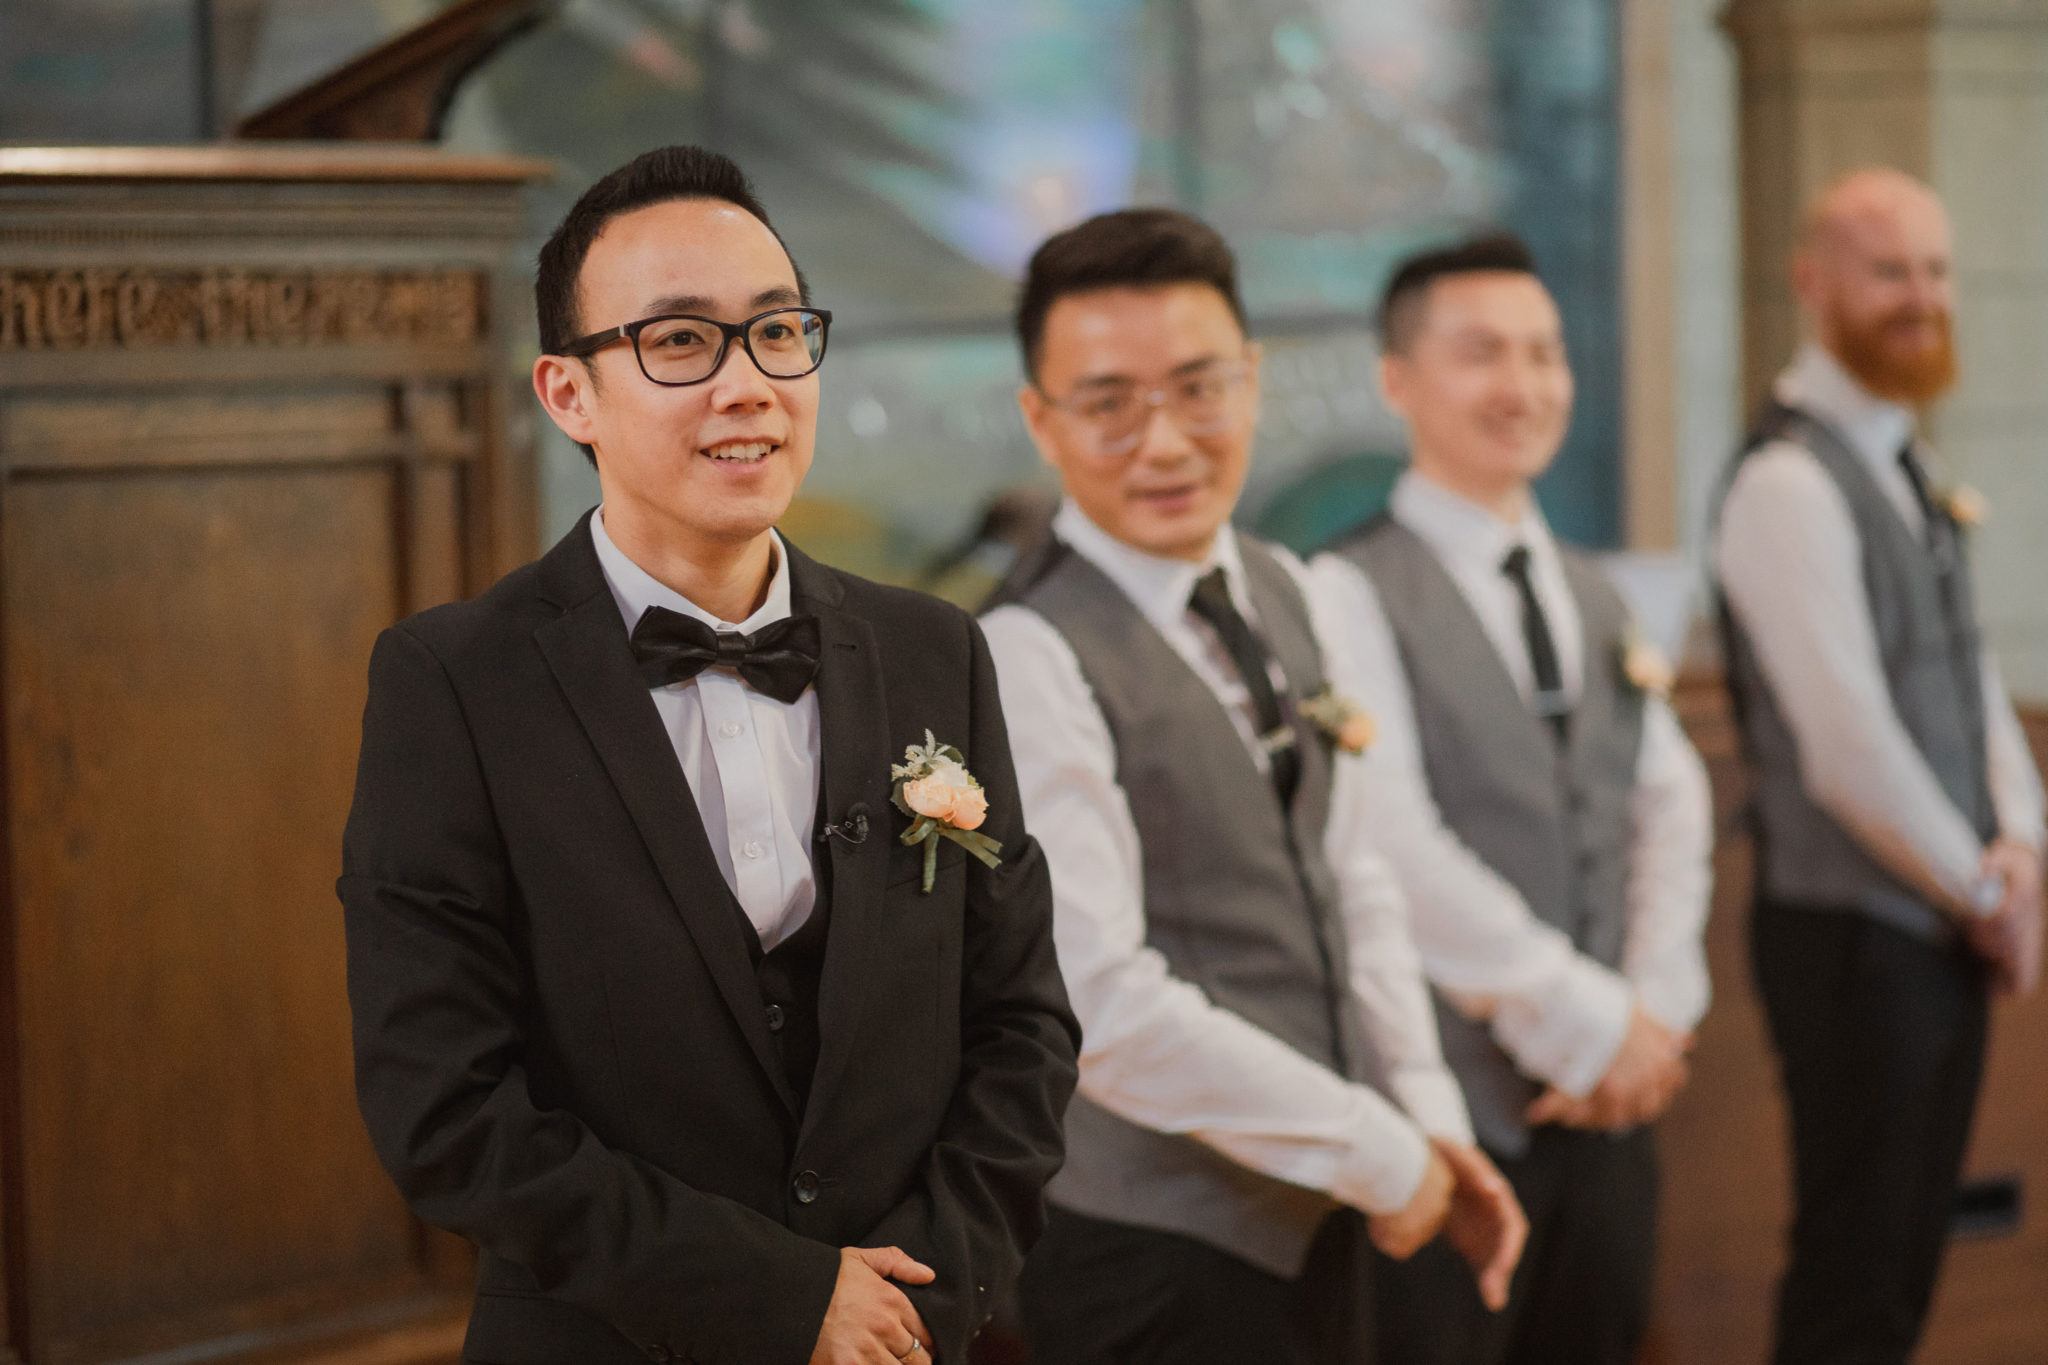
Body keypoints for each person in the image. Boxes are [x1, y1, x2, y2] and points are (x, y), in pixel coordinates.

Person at [338, 145, 1080, 1365]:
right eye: (679, 343)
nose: (748, 385)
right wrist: (784, 1302)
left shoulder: (933, 649)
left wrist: (920, 1301)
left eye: (777, 332)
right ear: (568, 394)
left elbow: (1021, 1026)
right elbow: (443, 1107)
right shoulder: (450, 682)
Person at [981, 208, 1526, 1365]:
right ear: (1040, 419)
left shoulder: (1288, 586)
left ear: (1253, 381)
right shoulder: (1025, 653)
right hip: (1158, 1252)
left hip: (1335, 1213)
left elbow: (1352, 871)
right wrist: (1379, 1151)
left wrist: (1426, 1111)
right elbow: (1103, 1004)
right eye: (1108, 401)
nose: (1166, 441)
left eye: (1197, 387)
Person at [1313, 232, 1714, 1365]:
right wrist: (1581, 1025)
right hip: (1451, 1119)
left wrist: (1654, 1016)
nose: (1524, 385)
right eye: (1482, 353)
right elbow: (1389, 840)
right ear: (1397, 379)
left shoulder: (1594, 588)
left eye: (1544, 354)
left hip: (1613, 1114)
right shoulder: (1343, 589)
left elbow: (1666, 808)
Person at [1714, 166, 2045, 1365]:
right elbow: (1846, 748)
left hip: (1946, 923)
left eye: (1936, 269)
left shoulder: (1906, 464)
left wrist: (2021, 845)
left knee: (1907, 1266)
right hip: (1850, 938)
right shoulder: (1785, 484)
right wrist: (1982, 893)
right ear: (1812, 281)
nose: (1921, 295)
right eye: (1888, 269)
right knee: (1852, 1279)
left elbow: (1966, 679)